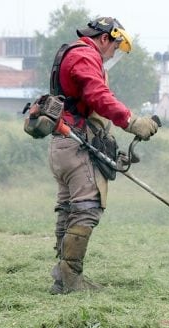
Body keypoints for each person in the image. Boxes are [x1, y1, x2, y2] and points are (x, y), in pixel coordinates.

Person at [48, 16, 159, 294]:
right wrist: (132, 121)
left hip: (65, 143)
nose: (113, 54)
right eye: (115, 46)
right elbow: (98, 95)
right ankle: (71, 280)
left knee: (68, 209)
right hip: (76, 144)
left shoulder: (74, 52)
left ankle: (62, 279)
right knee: (86, 208)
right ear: (105, 37)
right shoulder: (85, 55)